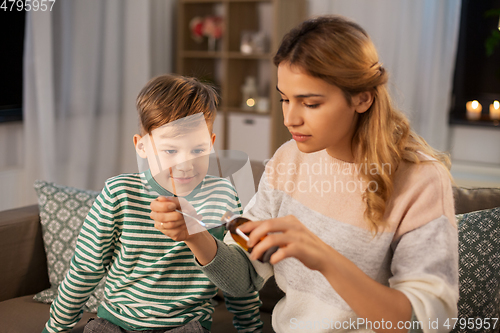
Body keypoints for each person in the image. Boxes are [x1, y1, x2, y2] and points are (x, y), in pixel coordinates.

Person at [151, 15, 459, 333]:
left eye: (310, 103)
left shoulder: (421, 180)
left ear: (362, 98)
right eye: (284, 99)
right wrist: (194, 234)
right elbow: (243, 279)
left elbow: (431, 322)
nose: (290, 118)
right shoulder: (288, 159)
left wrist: (325, 259)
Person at [43, 74, 263, 333]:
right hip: (114, 323)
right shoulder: (119, 193)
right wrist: (55, 328)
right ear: (142, 146)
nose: (185, 164)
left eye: (198, 150)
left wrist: (251, 328)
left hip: (186, 326)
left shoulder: (224, 194)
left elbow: (240, 280)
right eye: (170, 151)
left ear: (212, 144)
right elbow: (84, 270)